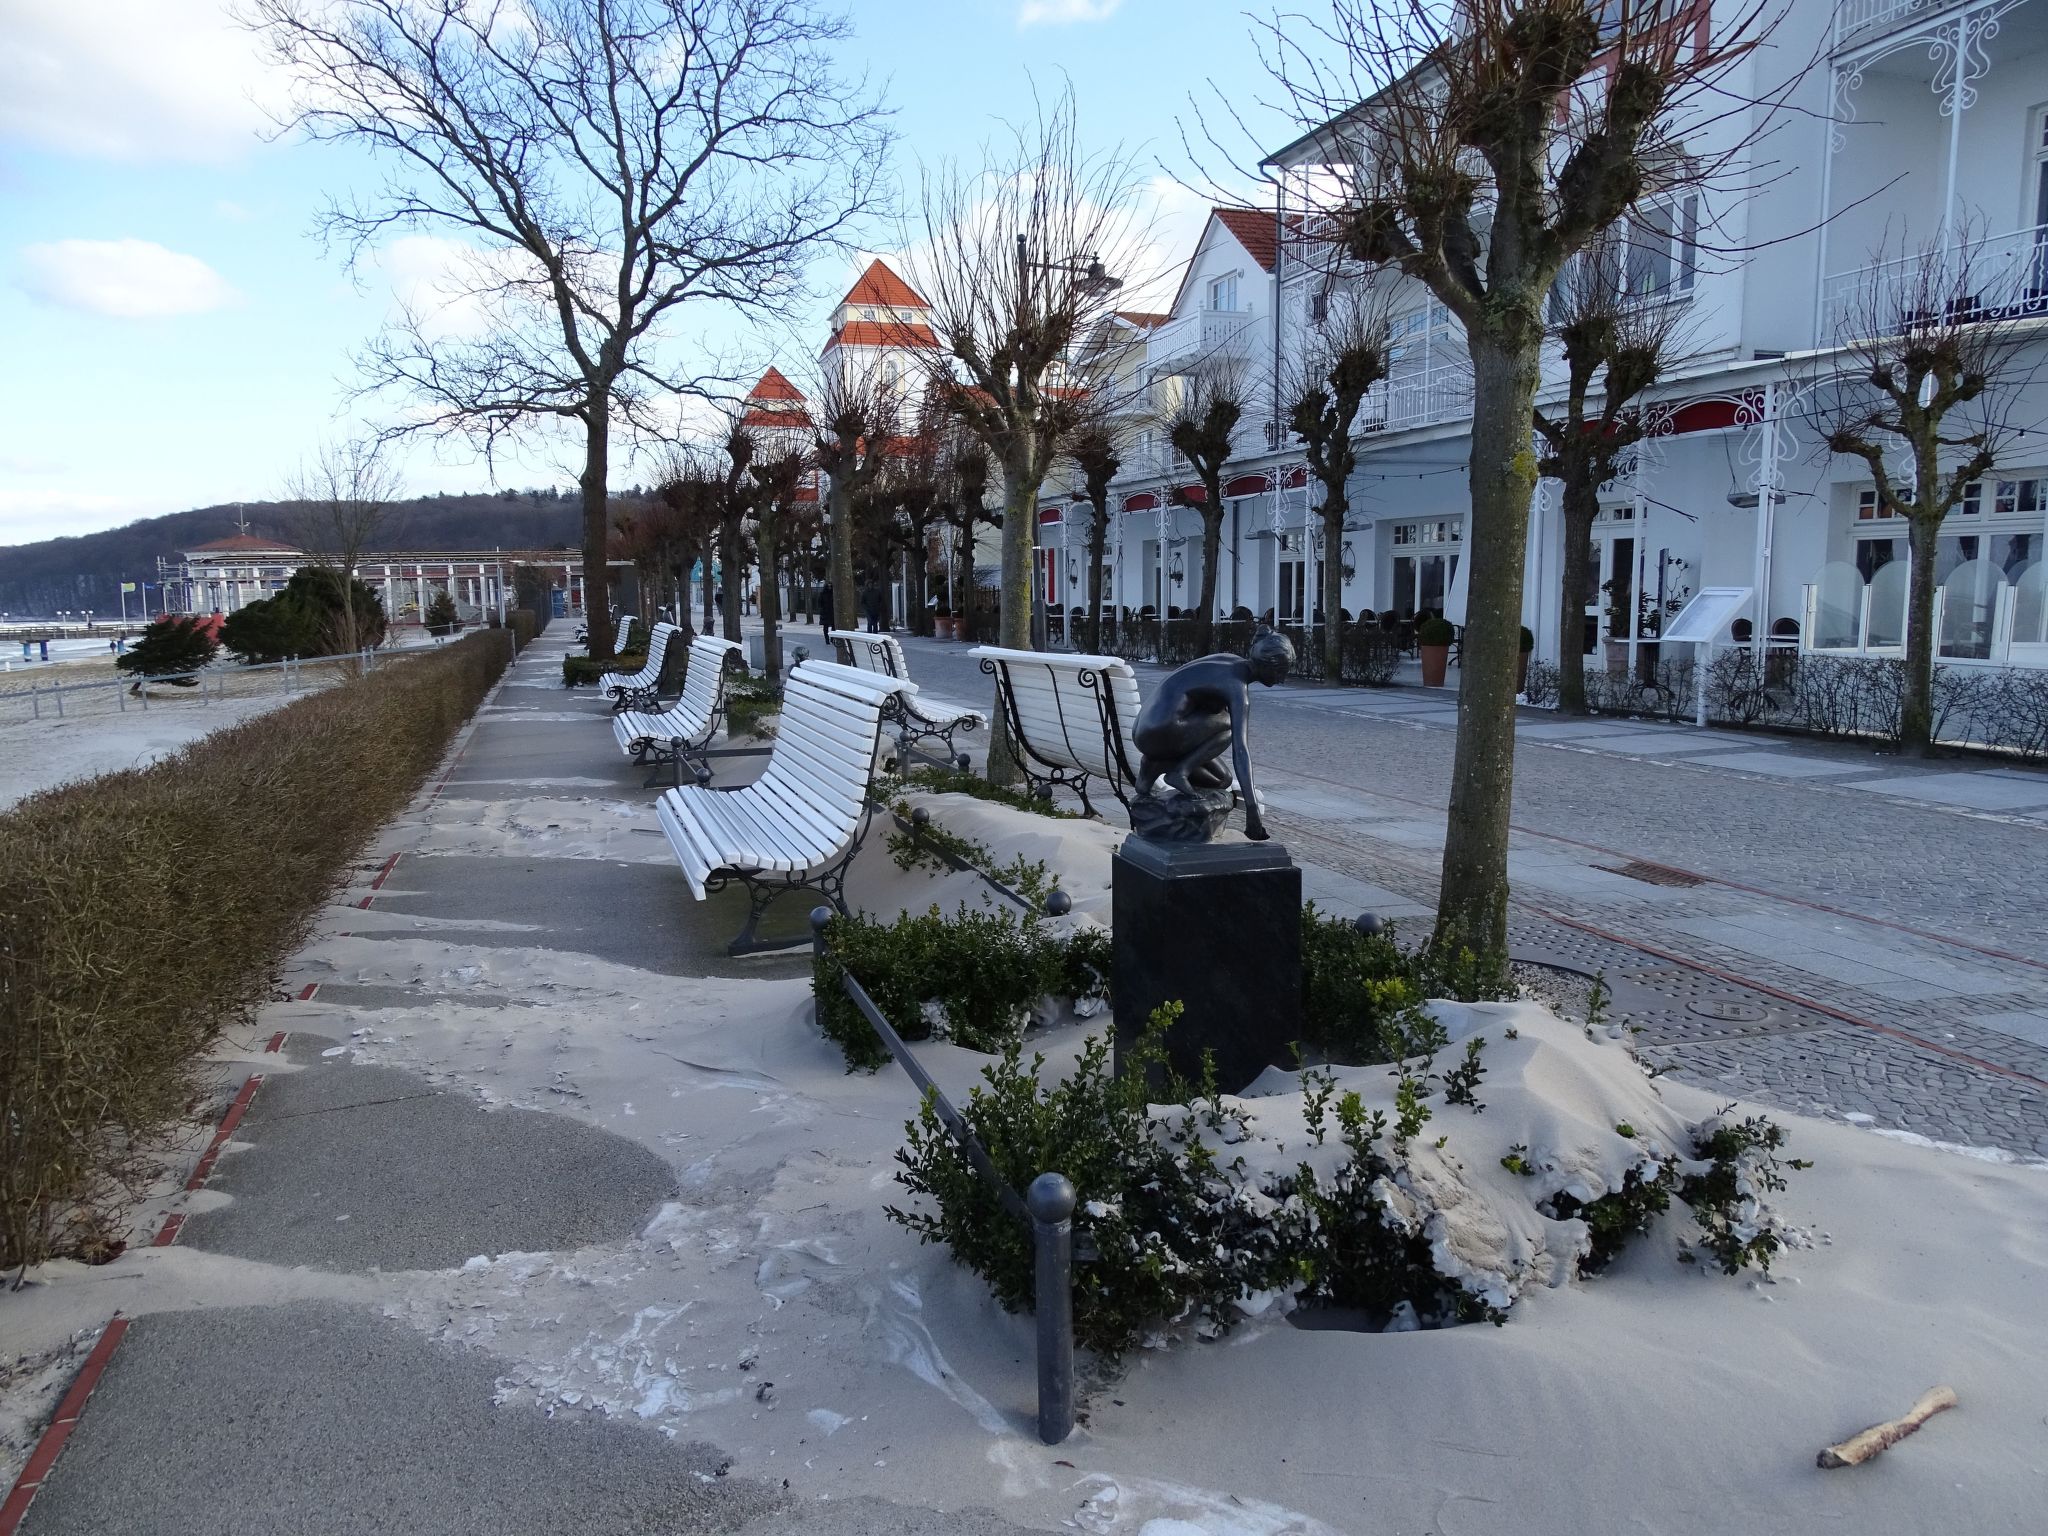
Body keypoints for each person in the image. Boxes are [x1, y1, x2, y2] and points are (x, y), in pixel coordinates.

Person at [1131, 629, 1294, 841]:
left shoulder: (1229, 661)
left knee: (1221, 780)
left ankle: (1155, 766)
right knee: (1228, 725)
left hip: (1149, 730)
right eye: (1281, 671)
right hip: (1160, 732)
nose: (1283, 679)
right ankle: (1179, 771)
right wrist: (1252, 810)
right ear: (1267, 666)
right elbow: (1240, 750)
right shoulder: (1236, 687)